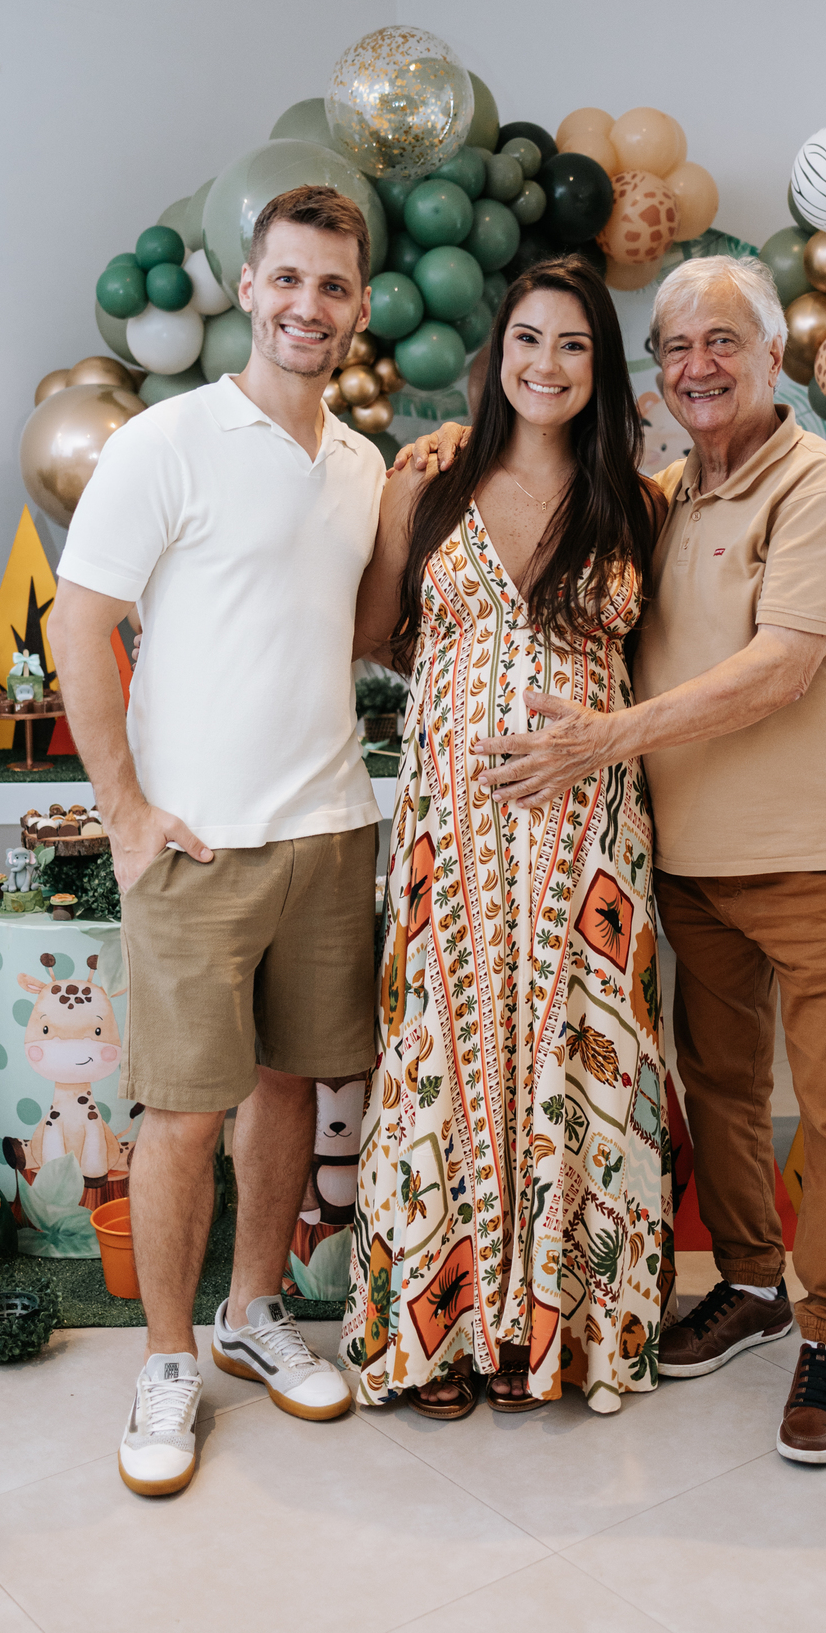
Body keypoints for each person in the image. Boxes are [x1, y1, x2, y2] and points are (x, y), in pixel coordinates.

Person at [414, 253, 826, 1465]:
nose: (699, 366)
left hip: (815, 854)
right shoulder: (664, 495)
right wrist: (445, 450)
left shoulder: (822, 486)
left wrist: (603, 742)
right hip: (687, 860)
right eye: (678, 346)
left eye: (723, 342)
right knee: (720, 1092)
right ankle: (751, 1285)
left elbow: (782, 665)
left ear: (773, 356)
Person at [51, 185, 387, 1496]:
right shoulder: (168, 441)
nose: (309, 307)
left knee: (295, 1084)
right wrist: (126, 813)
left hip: (329, 826)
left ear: (359, 309)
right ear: (249, 287)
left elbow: (345, 632)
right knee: (184, 1115)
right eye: (288, 280)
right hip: (195, 845)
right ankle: (170, 1355)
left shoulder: (357, 464)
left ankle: (254, 1317)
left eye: (334, 288)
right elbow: (80, 625)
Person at [340, 255, 675, 1419]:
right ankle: (442, 1332)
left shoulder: (638, 500)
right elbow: (381, 632)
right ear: (497, 358)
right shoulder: (425, 483)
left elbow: (655, 664)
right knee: (445, 1046)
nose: (547, 364)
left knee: (576, 1053)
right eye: (529, 340)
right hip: (452, 822)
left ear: (601, 366)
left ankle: (559, 1330)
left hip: (588, 826)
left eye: (574, 345)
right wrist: (467, 706)